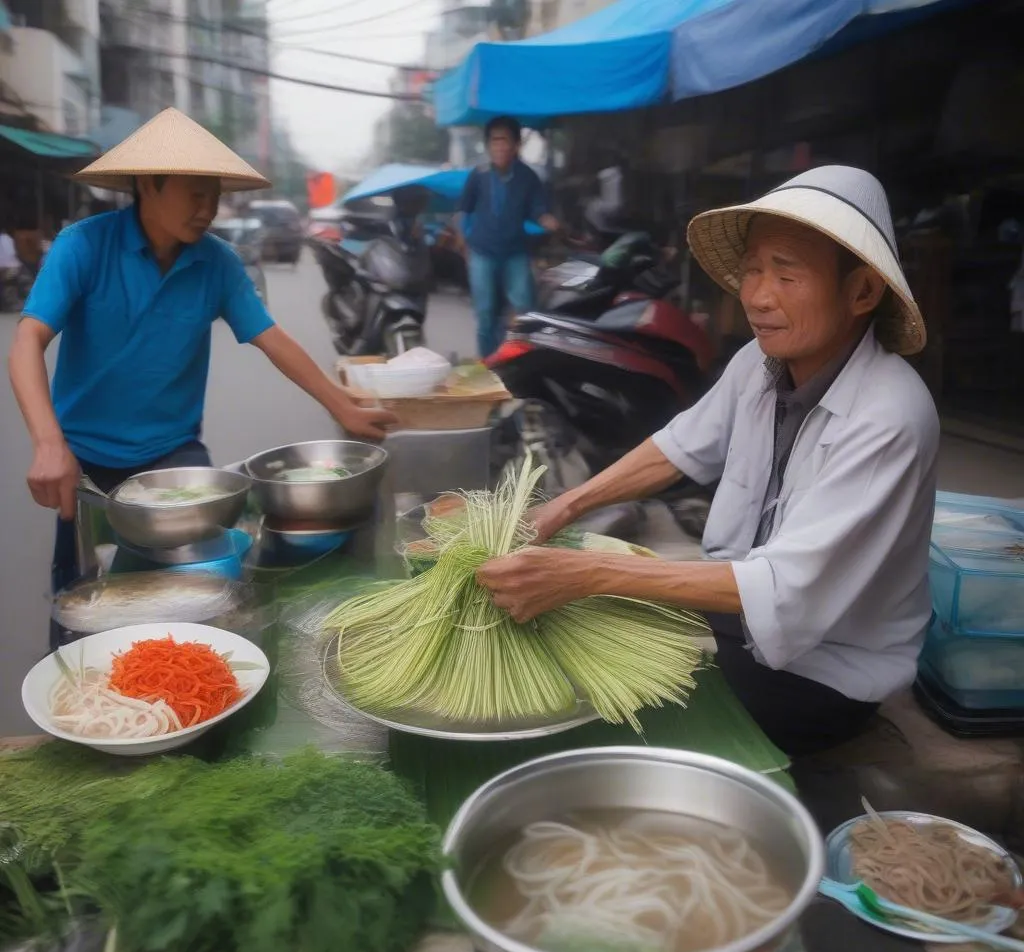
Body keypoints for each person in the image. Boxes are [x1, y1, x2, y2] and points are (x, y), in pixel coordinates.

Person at [476, 165, 940, 758]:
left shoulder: (890, 416)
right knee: (570, 634)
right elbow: (678, 447)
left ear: (862, 292)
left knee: (595, 705)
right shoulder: (758, 364)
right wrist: (561, 510)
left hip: (825, 673)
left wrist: (579, 573)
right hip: (738, 621)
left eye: (786, 274)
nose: (757, 296)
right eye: (752, 270)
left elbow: (784, 589)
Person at [7, 107, 395, 594]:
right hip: (83, 460)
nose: (207, 208)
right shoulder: (83, 246)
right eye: (195, 193)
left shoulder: (218, 262)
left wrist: (344, 406)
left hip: (172, 455)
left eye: (213, 195)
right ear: (149, 185)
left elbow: (272, 339)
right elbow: (27, 342)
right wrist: (48, 445)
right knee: (83, 595)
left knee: (202, 585)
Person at [456, 116, 560, 358]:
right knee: (485, 315)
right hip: (482, 253)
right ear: (488, 145)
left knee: (525, 311)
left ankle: (520, 361)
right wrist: (463, 242)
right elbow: (463, 210)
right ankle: (488, 366)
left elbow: (537, 210)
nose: (500, 146)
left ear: (516, 145)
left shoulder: (528, 177)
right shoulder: (478, 175)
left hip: (515, 253)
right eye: (495, 141)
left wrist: (548, 221)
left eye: (505, 141)